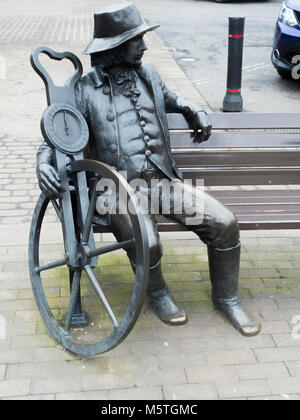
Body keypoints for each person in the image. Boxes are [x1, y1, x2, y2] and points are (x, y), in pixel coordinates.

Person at [36, 2, 261, 336]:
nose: (143, 46)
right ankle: (158, 293)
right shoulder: (84, 90)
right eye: (135, 40)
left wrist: (191, 107)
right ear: (114, 47)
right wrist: (43, 163)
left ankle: (226, 298)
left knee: (225, 224)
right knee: (147, 240)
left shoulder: (149, 74)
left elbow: (170, 96)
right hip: (115, 192)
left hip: (161, 185)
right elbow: (56, 138)